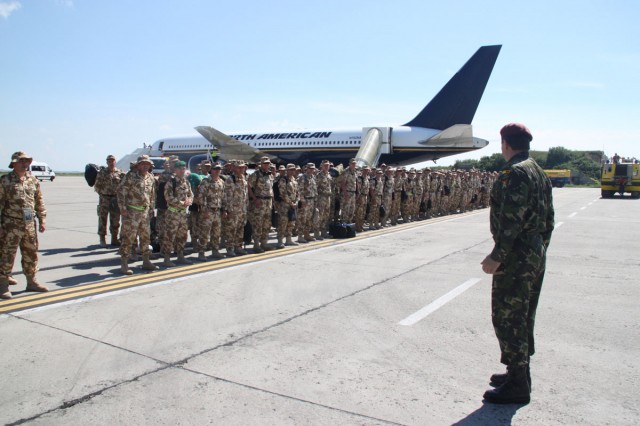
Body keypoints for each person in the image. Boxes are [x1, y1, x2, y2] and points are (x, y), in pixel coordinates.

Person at [480, 123, 555, 404]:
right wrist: (538, 249)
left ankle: (517, 383)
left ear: (505, 143)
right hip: (534, 250)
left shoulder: (514, 173)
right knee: (524, 315)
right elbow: (549, 219)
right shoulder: (538, 172)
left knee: (508, 317)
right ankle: (519, 372)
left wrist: (497, 256)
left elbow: (511, 220)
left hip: (515, 254)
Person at [0, 151, 48, 299]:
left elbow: (39, 201)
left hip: (29, 224)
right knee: (7, 255)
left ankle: (31, 281)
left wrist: (42, 219)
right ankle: (3, 284)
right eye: (21, 161)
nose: (25, 163)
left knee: (31, 254)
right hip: (10, 224)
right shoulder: (5, 181)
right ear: (14, 163)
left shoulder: (32, 180)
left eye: (27, 161)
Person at [117, 155, 158, 275]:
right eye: (143, 164)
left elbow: (151, 195)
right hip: (132, 213)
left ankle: (146, 261)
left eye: (148, 164)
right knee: (128, 238)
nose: (146, 166)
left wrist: (151, 209)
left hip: (145, 213)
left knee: (146, 238)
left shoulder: (150, 178)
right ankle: (124, 263)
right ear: (138, 165)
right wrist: (123, 209)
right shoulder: (130, 176)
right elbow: (121, 192)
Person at [162, 161, 194, 267]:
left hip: (183, 214)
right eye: (180, 168)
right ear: (175, 170)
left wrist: (189, 200)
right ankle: (167, 258)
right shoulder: (171, 182)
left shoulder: (186, 182)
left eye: (183, 168)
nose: (182, 170)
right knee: (170, 236)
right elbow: (168, 197)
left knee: (182, 236)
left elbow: (191, 194)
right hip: (173, 214)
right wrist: (181, 203)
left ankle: (180, 256)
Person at [195, 163, 225, 260]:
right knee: (204, 233)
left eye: (219, 169)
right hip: (208, 211)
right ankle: (201, 252)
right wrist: (205, 210)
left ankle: (215, 251)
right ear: (211, 170)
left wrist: (224, 210)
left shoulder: (221, 182)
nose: (217, 171)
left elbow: (222, 197)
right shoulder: (206, 182)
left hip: (217, 211)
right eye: (215, 169)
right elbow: (201, 197)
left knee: (216, 233)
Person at [94, 154, 125, 247]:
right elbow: (97, 186)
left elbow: (123, 186)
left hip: (115, 199)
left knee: (115, 219)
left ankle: (114, 239)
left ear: (115, 162)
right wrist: (103, 194)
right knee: (102, 219)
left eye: (113, 161)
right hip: (104, 198)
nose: (111, 163)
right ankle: (102, 239)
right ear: (107, 162)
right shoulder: (102, 173)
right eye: (109, 161)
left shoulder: (120, 173)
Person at [247, 157, 274, 253]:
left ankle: (264, 243)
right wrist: (254, 198)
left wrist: (273, 201)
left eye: (268, 163)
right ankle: (256, 244)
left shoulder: (270, 175)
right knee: (258, 223)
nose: (266, 165)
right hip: (260, 202)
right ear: (261, 164)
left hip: (268, 202)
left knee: (267, 224)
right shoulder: (256, 175)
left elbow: (271, 189)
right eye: (265, 163)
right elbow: (248, 187)